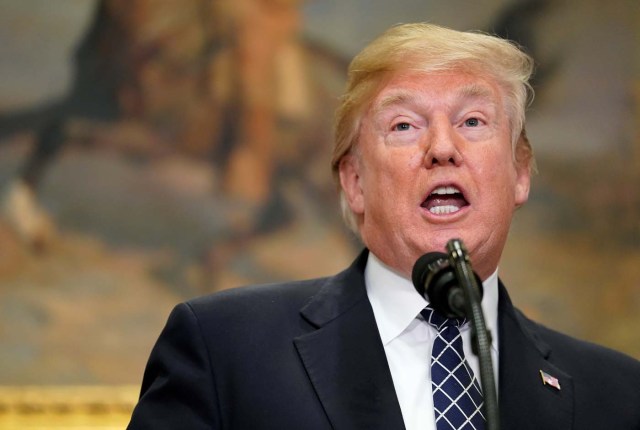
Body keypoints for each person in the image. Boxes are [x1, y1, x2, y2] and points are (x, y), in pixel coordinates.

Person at [127, 23, 640, 429]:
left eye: (473, 122)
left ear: (520, 172)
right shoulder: (225, 351)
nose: (442, 148)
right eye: (404, 126)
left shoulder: (617, 393)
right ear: (354, 183)